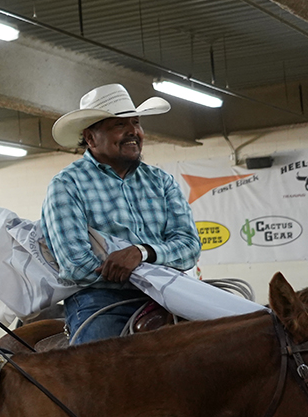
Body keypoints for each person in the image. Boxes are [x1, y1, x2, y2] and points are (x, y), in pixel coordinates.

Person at [42, 83, 200, 344]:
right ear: (90, 138)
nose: (133, 132)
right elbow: (76, 265)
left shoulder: (162, 181)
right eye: (119, 125)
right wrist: (146, 268)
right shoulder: (67, 185)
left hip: (170, 292)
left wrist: (140, 253)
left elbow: (189, 247)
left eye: (136, 123)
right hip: (103, 300)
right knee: (101, 367)